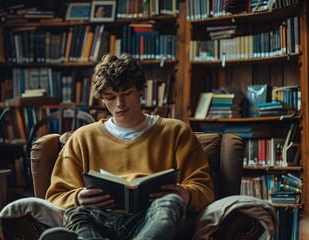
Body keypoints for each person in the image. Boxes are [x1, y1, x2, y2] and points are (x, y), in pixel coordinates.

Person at [43, 53, 215, 240]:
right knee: (76, 214)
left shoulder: (176, 132)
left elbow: (204, 190)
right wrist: (77, 198)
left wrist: (185, 194)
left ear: (140, 90)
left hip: (151, 217)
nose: (120, 104)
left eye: (126, 93)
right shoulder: (82, 138)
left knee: (171, 203)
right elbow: (55, 196)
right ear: (102, 98)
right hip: (100, 217)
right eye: (110, 97)